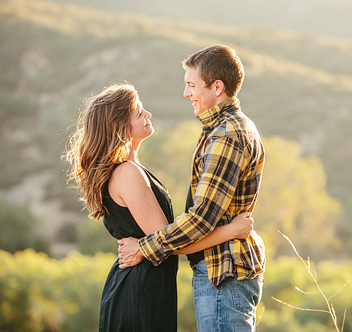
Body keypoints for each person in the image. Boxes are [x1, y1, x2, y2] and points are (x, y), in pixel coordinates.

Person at [64, 84, 256, 331]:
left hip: (148, 287)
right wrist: (232, 231)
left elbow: (165, 240)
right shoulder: (127, 173)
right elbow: (172, 243)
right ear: (121, 125)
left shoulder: (130, 169)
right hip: (141, 292)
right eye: (139, 113)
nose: (148, 115)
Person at [115, 44, 266, 331]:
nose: (187, 93)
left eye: (191, 85)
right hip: (222, 270)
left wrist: (143, 248)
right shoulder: (219, 129)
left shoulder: (227, 134)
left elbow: (202, 219)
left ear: (217, 87)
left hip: (223, 271)